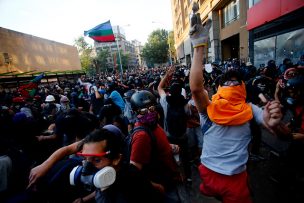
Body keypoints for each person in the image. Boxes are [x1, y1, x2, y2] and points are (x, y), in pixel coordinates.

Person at [189, 3, 283, 202]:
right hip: (208, 174)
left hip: (236, 180)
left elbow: (279, 132)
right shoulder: (208, 108)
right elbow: (196, 88)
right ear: (219, 88)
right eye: (225, 81)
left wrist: (275, 124)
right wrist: (198, 47)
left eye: (235, 81)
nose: (230, 83)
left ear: (242, 87)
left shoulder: (251, 110)